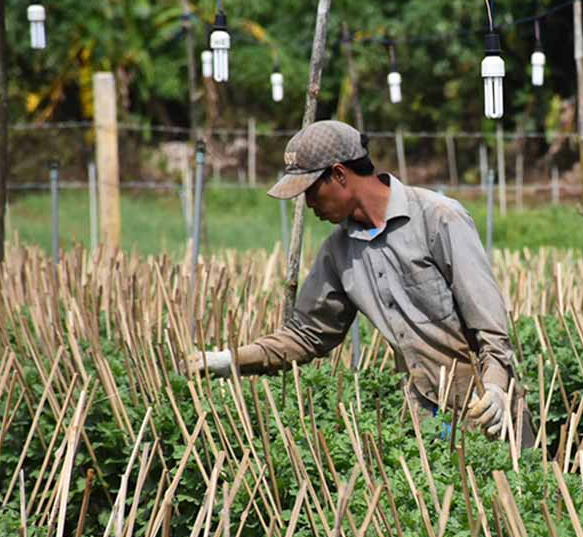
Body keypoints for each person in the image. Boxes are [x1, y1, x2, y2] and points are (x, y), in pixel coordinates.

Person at [188, 120, 533, 447]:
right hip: (424, 416)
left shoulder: (438, 217)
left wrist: (496, 388)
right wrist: (230, 360)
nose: (307, 205)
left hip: (486, 410)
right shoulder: (338, 251)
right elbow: (307, 335)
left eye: (310, 191)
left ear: (339, 175)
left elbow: (490, 325)